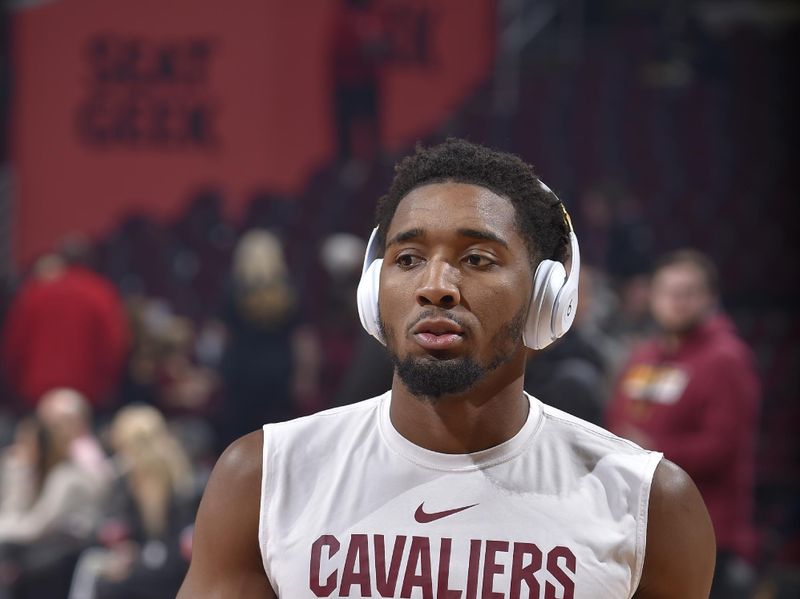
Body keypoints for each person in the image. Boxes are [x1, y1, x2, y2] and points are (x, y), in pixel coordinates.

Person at [178, 139, 715, 598]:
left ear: (550, 296)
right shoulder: (264, 478)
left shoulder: (649, 505)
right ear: (372, 292)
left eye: (477, 259)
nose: (434, 285)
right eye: (407, 259)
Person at [607, 249, 761, 598]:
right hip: (641, 531)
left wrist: (647, 450)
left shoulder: (727, 359)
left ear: (709, 298)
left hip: (709, 534)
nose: (676, 301)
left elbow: (721, 448)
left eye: (688, 292)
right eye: (667, 292)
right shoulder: (642, 354)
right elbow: (616, 423)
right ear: (653, 297)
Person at [0, 251, 130, 411]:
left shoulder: (34, 292)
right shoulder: (101, 293)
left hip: (37, 391)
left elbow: (14, 345)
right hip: (86, 392)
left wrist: (15, 386)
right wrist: (106, 386)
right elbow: (113, 347)